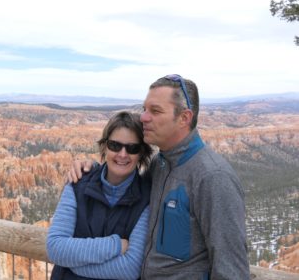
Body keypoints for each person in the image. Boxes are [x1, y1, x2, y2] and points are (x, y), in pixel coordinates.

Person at [68, 74, 251, 280]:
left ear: (184, 118)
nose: (144, 117)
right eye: (145, 109)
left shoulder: (213, 177)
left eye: (155, 111)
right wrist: (92, 169)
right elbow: (125, 184)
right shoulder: (159, 164)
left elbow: (232, 270)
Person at [46, 111, 153, 280]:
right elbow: (55, 247)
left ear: (141, 154)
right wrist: (116, 245)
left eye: (132, 148)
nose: (122, 154)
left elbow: (130, 269)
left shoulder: (147, 198)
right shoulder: (77, 183)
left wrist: (72, 264)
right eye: (115, 145)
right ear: (104, 147)